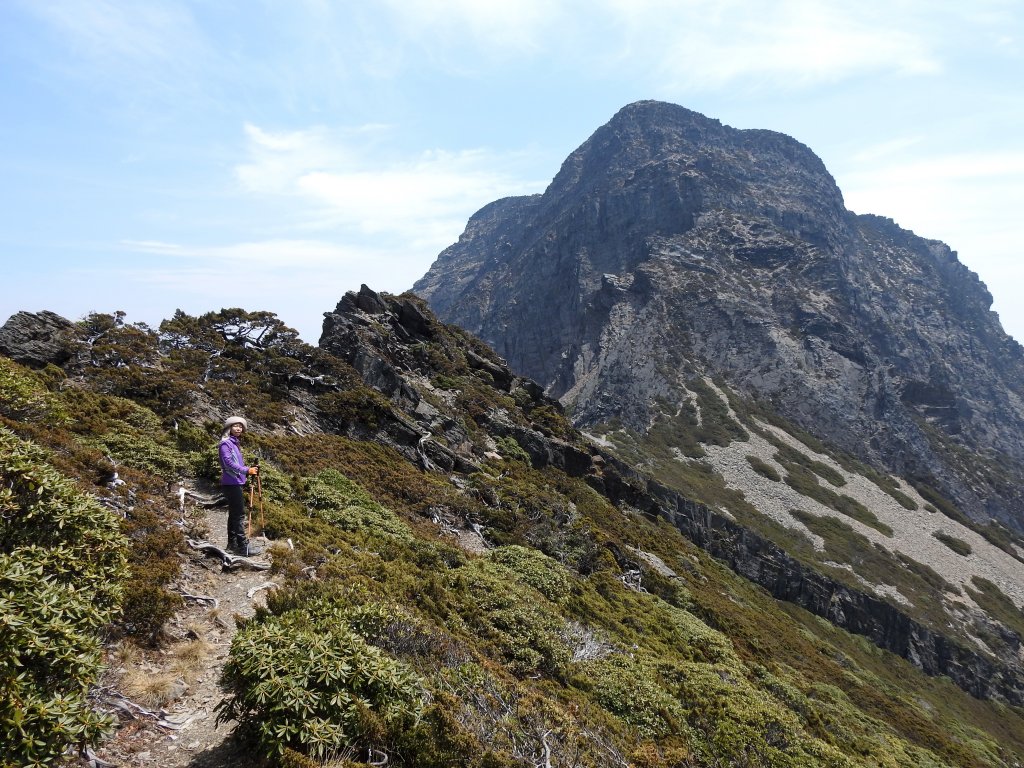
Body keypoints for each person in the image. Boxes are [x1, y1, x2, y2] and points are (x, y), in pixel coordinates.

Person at [218, 416, 264, 556]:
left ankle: (232, 545)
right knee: (239, 515)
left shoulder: (234, 443)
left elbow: (235, 462)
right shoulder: (225, 444)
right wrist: (246, 470)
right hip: (231, 483)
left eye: (240, 426)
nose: (238, 428)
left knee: (233, 514)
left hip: (234, 482)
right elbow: (228, 463)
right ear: (229, 428)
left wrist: (248, 470)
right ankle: (243, 548)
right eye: (235, 426)